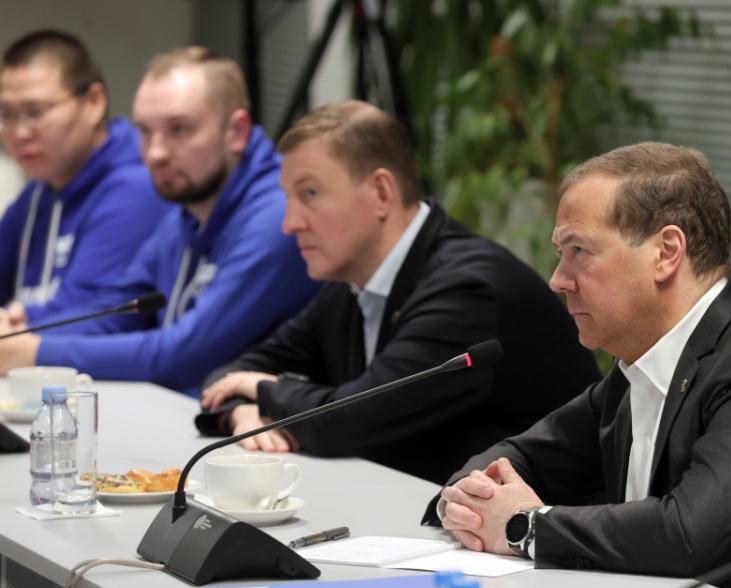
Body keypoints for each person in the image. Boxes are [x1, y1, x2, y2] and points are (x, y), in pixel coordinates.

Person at [424, 142, 731, 588]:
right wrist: (469, 499)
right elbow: (521, 455)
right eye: (560, 253)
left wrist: (523, 526)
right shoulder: (639, 368)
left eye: (579, 251)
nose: (557, 280)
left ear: (667, 252)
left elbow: (690, 535)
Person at [197, 100, 599, 484]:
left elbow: (349, 421)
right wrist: (243, 413)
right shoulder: (350, 285)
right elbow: (231, 373)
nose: (289, 223)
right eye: (288, 198)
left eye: (310, 194)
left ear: (381, 193)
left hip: (537, 524)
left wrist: (262, 390)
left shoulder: (468, 290)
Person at [0, 47, 319, 396]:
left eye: (179, 129)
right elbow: (117, 311)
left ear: (237, 131)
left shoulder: (278, 217)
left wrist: (34, 352)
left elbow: (184, 354)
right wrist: (22, 333)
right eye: (146, 132)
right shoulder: (185, 212)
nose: (156, 153)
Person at [0, 30, 166, 324]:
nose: (20, 132)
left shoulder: (137, 187)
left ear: (94, 102)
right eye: (7, 114)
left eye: (35, 112)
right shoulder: (38, 192)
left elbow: (85, 316)